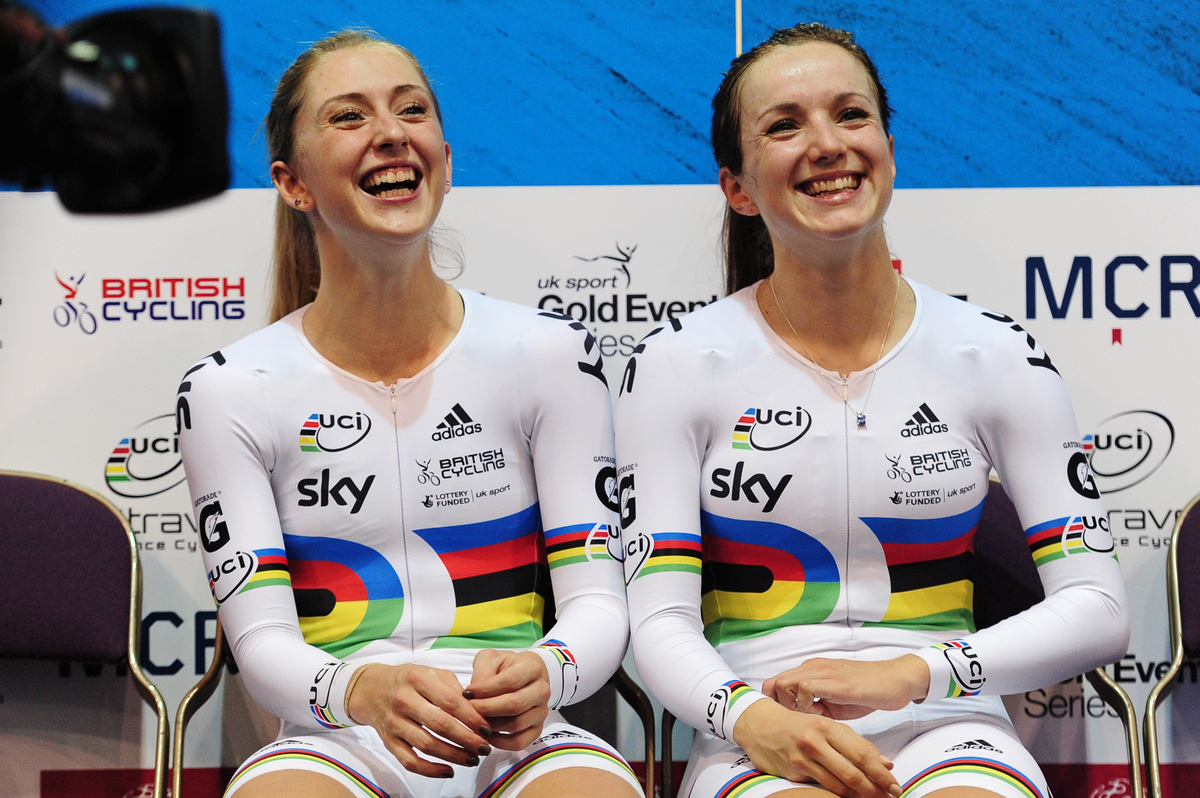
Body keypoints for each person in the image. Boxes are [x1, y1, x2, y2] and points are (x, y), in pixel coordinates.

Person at [617, 22, 1129, 798]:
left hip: (952, 720)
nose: (827, 144)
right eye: (784, 125)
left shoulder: (992, 351)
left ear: (889, 147)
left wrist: (914, 674)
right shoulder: (676, 362)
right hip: (757, 729)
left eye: (850, 115)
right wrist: (751, 719)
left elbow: (1097, 606)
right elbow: (655, 619)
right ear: (739, 188)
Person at [178, 30, 640, 798]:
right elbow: (259, 643)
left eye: (411, 110)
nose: (391, 134)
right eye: (348, 117)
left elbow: (598, 604)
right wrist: (359, 693)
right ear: (293, 185)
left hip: (519, 736)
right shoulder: (229, 388)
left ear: (447, 161)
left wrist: (546, 672)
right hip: (335, 737)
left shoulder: (553, 354)